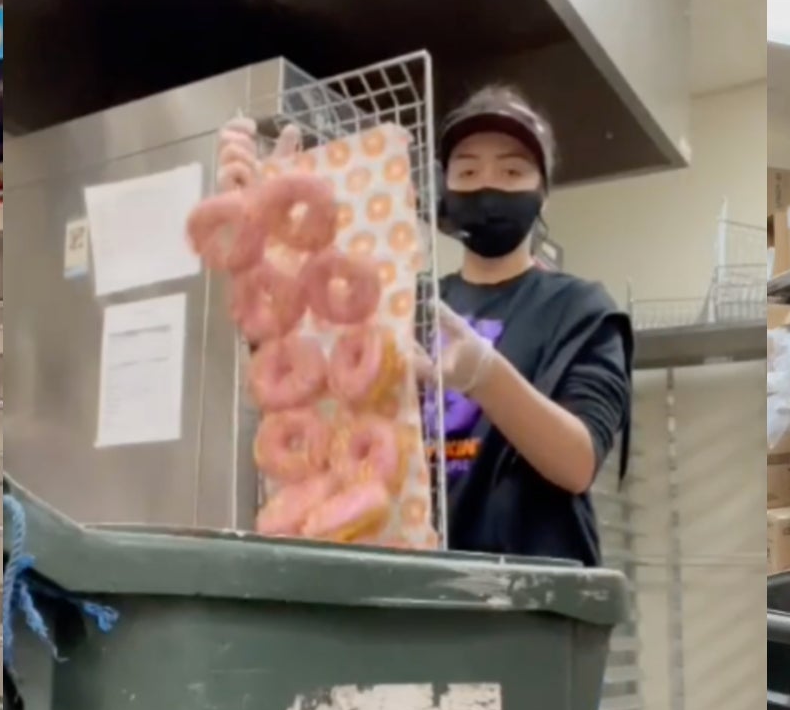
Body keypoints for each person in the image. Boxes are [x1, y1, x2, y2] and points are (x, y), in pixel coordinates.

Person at [221, 85, 633, 565]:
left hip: (534, 597)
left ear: (543, 191)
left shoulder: (579, 309)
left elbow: (578, 463)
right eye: (468, 171)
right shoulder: (406, 300)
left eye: (512, 170)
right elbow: (316, 397)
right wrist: (269, 245)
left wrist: (486, 377)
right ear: (445, 189)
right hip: (417, 582)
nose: (488, 186)